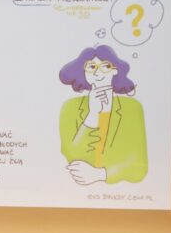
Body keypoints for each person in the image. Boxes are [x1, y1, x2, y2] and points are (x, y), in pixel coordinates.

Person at [58, 44, 148, 185]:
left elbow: (139, 167)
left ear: (115, 70)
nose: (98, 73)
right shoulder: (70, 107)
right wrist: (92, 115)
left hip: (121, 189)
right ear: (84, 73)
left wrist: (101, 175)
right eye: (91, 67)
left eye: (105, 66)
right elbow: (71, 153)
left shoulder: (132, 107)